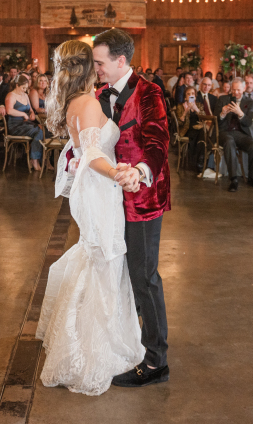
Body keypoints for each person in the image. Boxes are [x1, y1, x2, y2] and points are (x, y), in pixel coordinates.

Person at [35, 40, 144, 396]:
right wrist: (118, 174)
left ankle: (76, 336)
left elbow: (81, 149)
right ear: (85, 68)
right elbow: (94, 153)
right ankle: (95, 349)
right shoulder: (88, 102)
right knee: (104, 259)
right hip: (99, 188)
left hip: (90, 188)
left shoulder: (73, 103)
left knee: (94, 255)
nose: (99, 68)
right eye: (94, 63)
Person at [87, 29, 171, 388]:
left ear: (121, 61)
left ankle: (156, 361)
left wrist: (139, 171)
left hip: (143, 198)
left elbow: (158, 142)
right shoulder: (99, 94)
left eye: (100, 62)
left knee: (144, 277)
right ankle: (128, 342)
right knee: (119, 273)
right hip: (109, 199)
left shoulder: (149, 92)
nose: (96, 69)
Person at [217, 76, 253, 191]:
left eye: (238, 90)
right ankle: (233, 179)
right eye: (234, 89)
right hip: (224, 132)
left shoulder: (249, 102)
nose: (236, 92)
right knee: (229, 141)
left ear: (244, 88)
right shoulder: (222, 99)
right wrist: (222, 113)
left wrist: (240, 114)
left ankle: (252, 177)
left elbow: (248, 123)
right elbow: (215, 121)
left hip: (241, 133)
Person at [5, 75, 44, 171]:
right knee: (38, 132)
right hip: (16, 126)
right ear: (17, 85)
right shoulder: (11, 95)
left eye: (26, 88)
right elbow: (9, 110)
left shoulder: (26, 95)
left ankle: (43, 160)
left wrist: (32, 114)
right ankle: (34, 159)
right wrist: (23, 114)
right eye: (23, 88)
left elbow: (30, 109)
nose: (24, 90)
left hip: (26, 124)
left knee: (44, 130)